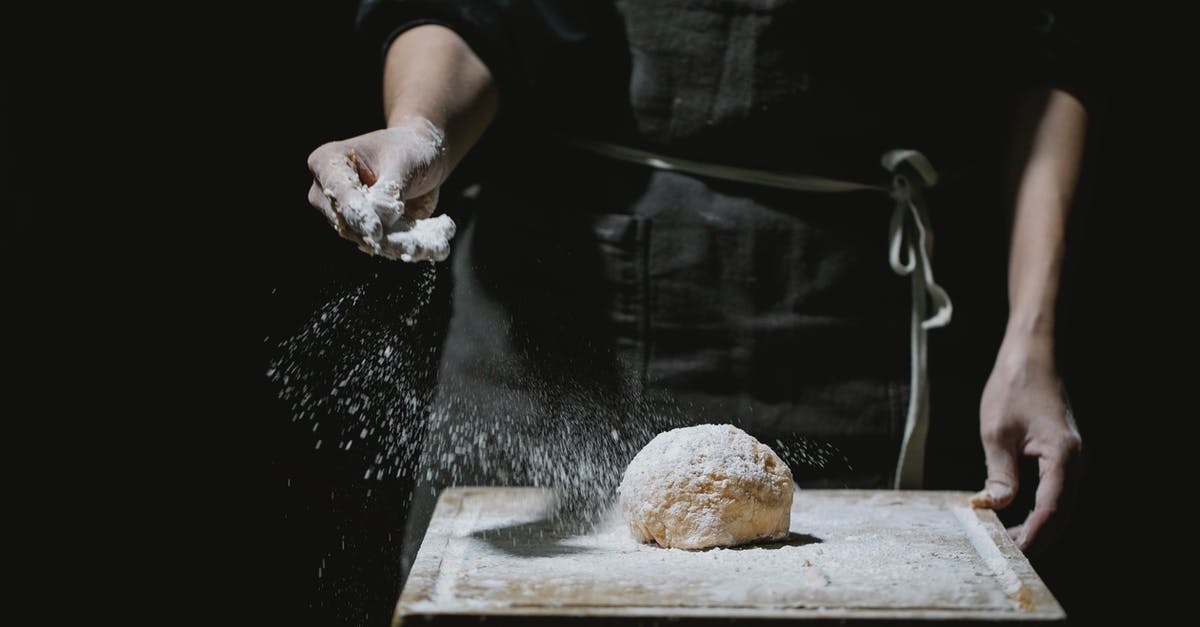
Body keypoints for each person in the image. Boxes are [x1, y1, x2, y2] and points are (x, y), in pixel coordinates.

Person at [305, 1, 1088, 621]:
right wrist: (420, 129)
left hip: (856, 322)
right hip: (564, 309)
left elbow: (1045, 46)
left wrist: (1032, 337)